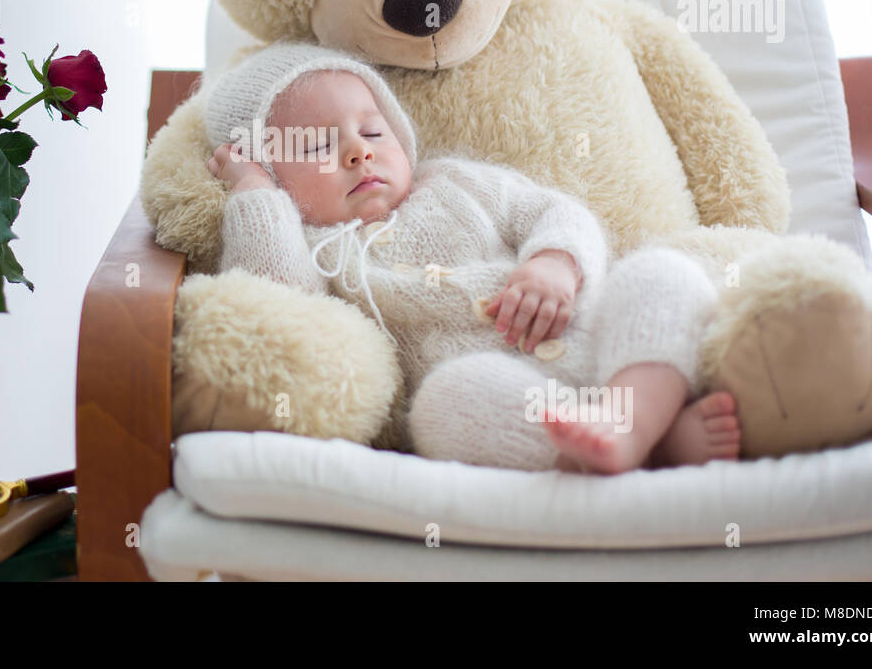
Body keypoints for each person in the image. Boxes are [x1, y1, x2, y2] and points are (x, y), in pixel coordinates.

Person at [203, 43, 740, 473]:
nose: (358, 151)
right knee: (443, 404)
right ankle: (647, 444)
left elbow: (553, 211)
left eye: (371, 131)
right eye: (318, 146)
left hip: (599, 340)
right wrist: (254, 193)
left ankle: (637, 417)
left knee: (661, 273)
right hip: (506, 393)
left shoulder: (456, 181)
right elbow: (277, 305)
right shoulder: (319, 253)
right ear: (274, 174)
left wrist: (554, 262)